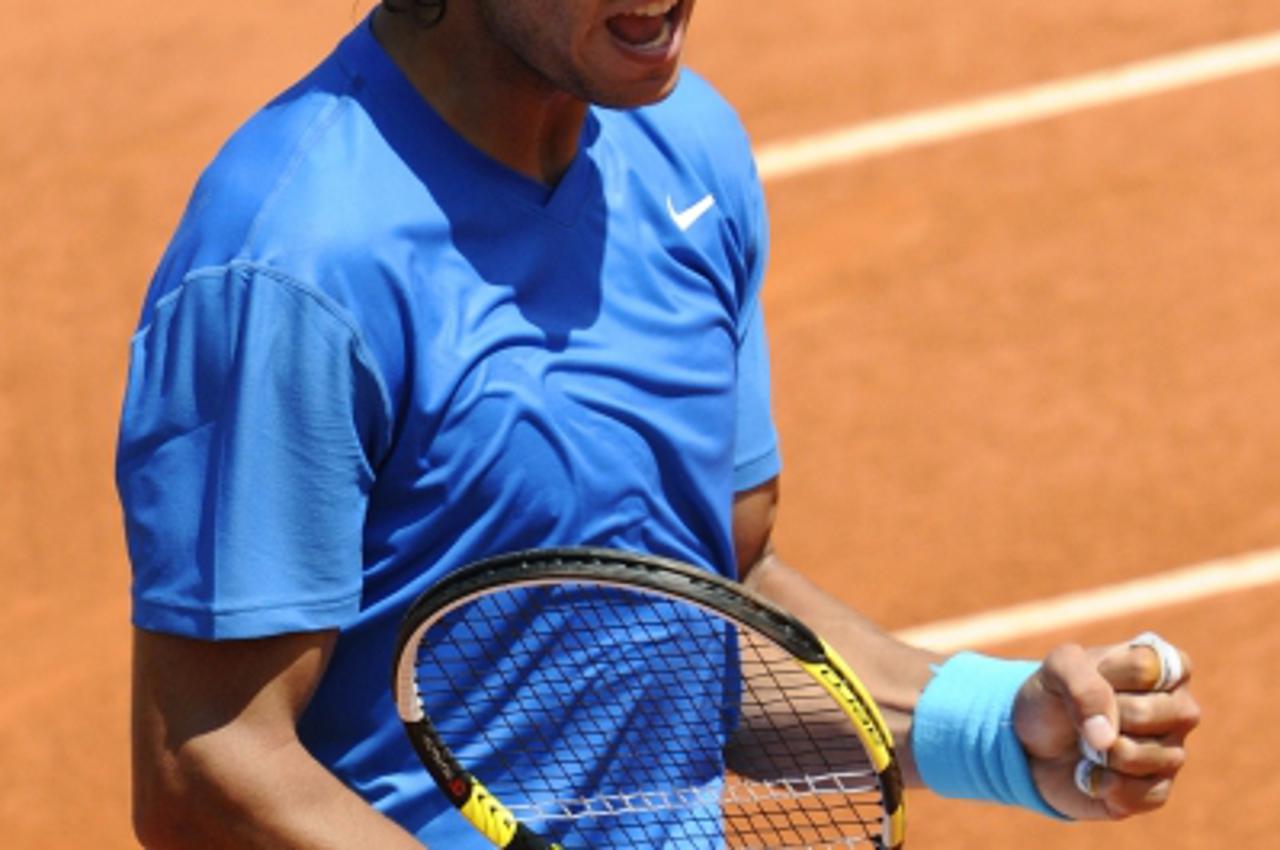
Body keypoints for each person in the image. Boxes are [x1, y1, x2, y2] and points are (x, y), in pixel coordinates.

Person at [116, 1, 1200, 847]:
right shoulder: (295, 269)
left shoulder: (687, 150)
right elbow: (206, 765)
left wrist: (995, 729)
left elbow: (692, 613)